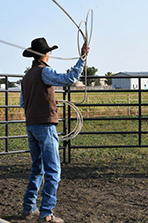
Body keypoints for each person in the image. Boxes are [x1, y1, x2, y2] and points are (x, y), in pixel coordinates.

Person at [20, 37, 89, 222]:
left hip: (31, 125)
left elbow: (23, 102)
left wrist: (47, 100)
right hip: (45, 125)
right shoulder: (45, 72)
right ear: (45, 55)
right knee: (53, 170)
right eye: (49, 52)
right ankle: (46, 213)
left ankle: (29, 207)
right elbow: (70, 79)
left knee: (37, 167)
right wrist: (82, 59)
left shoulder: (26, 77)